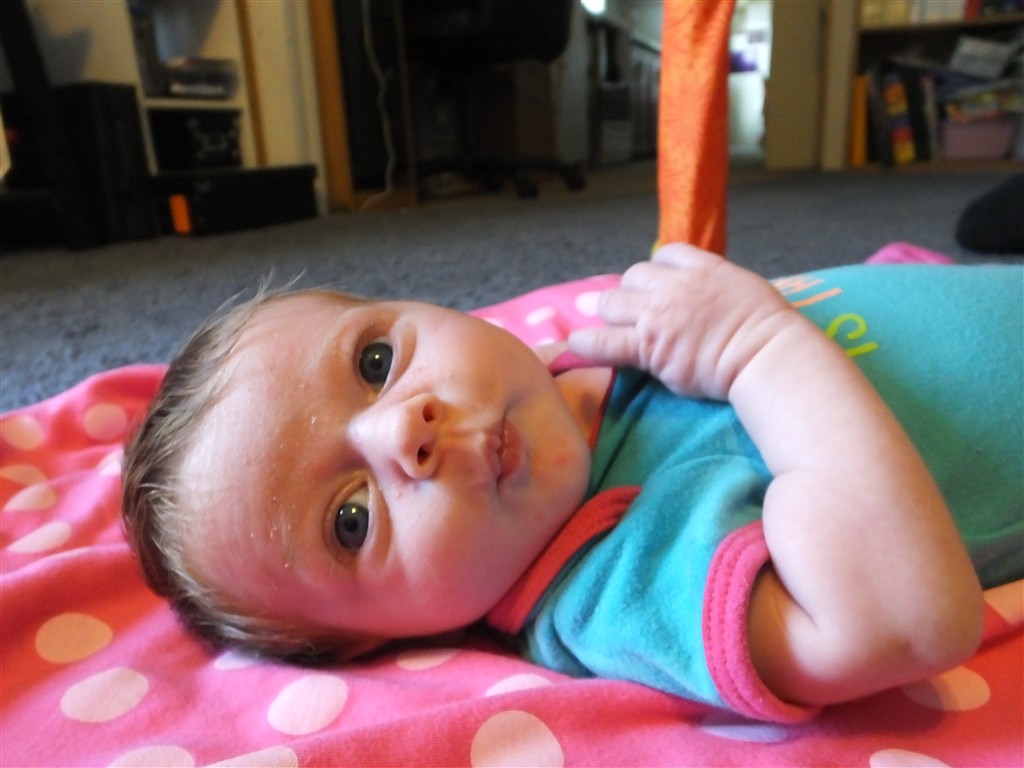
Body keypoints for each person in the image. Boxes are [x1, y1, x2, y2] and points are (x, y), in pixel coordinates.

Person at [122, 245, 1023, 723]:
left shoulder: (565, 368)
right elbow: (906, 621)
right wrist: (757, 348)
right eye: (350, 520)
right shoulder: (614, 581)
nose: (404, 429)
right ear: (382, 644)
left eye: (374, 361)